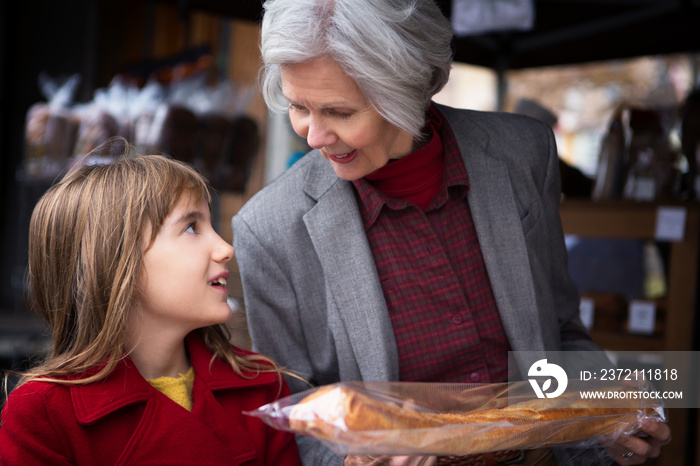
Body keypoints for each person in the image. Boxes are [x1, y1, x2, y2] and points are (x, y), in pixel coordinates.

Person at [231, 0, 672, 464]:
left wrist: (609, 417)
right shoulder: (269, 231)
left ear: (406, 89)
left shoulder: (524, 154)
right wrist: (348, 460)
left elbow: (558, 334)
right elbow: (293, 416)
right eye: (298, 106)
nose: (312, 135)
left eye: (339, 112)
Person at [0, 154, 301, 465]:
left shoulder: (260, 386)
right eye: (191, 227)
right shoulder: (44, 414)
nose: (226, 249)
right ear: (117, 260)